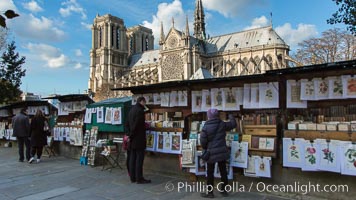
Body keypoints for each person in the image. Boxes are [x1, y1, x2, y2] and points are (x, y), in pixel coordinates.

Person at [200, 108, 236, 198]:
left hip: (211, 152)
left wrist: (206, 148)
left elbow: (203, 141)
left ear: (209, 116)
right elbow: (233, 124)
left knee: (210, 172)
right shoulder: (222, 124)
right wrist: (230, 114)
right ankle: (224, 191)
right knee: (223, 171)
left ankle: (210, 193)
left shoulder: (205, 127)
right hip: (221, 151)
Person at [127, 97, 151, 184]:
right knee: (139, 159)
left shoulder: (131, 110)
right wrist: (132, 134)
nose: (145, 104)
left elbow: (127, 124)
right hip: (138, 138)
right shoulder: (140, 111)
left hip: (132, 139)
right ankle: (139, 178)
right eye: (145, 102)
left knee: (132, 158)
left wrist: (129, 135)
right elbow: (136, 125)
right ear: (142, 101)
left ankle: (132, 177)